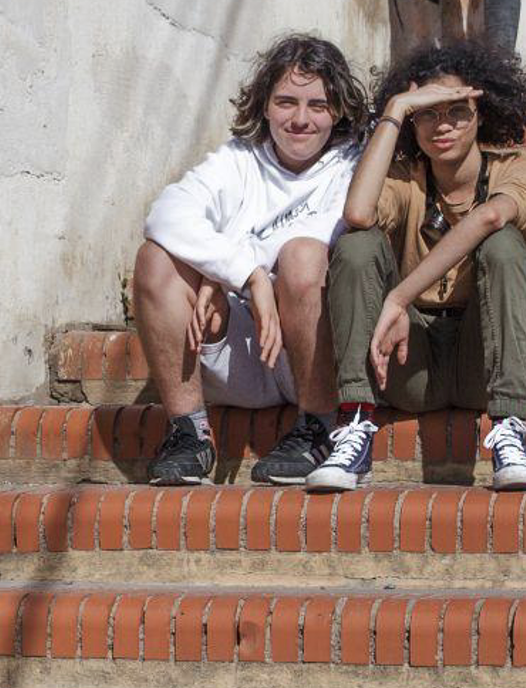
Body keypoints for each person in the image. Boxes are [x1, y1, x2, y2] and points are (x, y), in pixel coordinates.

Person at [295, 43, 526, 492]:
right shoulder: (405, 176)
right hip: (409, 362)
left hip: (485, 359)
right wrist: (396, 109)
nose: (443, 124)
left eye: (457, 110)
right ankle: (355, 424)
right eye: (428, 113)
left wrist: (398, 296)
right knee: (357, 245)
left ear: (482, 112)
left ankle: (510, 428)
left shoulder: (519, 167)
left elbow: (489, 216)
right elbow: (357, 212)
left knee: (503, 241)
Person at [134, 33, 369, 486]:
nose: (300, 119)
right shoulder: (239, 159)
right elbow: (165, 214)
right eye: (286, 102)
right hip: (241, 347)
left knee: (302, 258)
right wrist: (247, 276)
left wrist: (226, 271)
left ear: (337, 110)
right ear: (264, 105)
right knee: (155, 261)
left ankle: (317, 426)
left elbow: (324, 232)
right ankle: (189, 433)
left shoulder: (350, 164)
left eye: (317, 105)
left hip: (311, 350)